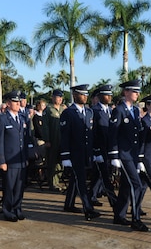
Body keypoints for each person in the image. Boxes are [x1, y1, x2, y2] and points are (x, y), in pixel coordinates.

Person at [108, 79, 149, 232]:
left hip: (132, 154)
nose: (137, 94)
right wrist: (114, 156)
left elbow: (136, 134)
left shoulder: (136, 111)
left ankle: (119, 215)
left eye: (138, 91)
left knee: (126, 186)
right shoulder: (119, 110)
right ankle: (136, 218)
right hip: (123, 155)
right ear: (126, 92)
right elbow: (113, 134)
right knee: (136, 185)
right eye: (134, 91)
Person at [59, 84, 101, 222]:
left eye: (86, 94)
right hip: (74, 153)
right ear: (75, 95)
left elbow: (91, 134)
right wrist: (65, 156)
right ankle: (88, 209)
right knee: (81, 181)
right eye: (82, 94)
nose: (85, 97)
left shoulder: (89, 112)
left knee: (75, 179)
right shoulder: (68, 113)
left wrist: (95, 151)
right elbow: (64, 136)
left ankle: (69, 204)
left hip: (85, 152)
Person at [0, 90, 32, 221]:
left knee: (20, 187)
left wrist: (26, 157)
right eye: (15, 102)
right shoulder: (2, 119)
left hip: (20, 159)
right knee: (9, 187)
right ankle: (8, 210)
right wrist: (1, 161)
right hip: (9, 160)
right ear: (8, 103)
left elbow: (25, 140)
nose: (18, 104)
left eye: (18, 101)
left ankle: (17, 208)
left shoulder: (22, 118)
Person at [90, 84, 118, 208]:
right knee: (105, 177)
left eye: (110, 94)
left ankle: (91, 196)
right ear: (100, 96)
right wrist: (96, 151)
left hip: (107, 148)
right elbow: (93, 132)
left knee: (98, 175)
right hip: (99, 149)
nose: (110, 97)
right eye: (107, 95)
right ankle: (116, 203)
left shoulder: (110, 111)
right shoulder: (94, 111)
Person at [41, 89, 66, 192]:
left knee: (61, 163)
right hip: (52, 140)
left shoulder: (63, 110)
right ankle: (52, 183)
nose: (59, 99)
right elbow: (45, 127)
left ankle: (57, 181)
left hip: (62, 140)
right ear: (53, 98)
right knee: (52, 162)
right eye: (57, 97)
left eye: (61, 97)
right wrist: (46, 140)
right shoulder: (48, 110)